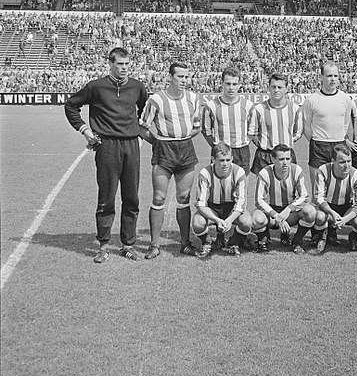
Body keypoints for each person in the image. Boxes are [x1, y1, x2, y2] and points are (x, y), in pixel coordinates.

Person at [64, 47, 148, 262]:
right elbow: (71, 105)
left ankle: (128, 244)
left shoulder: (137, 87)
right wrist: (85, 130)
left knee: (131, 197)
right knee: (107, 196)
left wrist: (139, 134)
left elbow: (146, 110)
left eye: (127, 64)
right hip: (107, 146)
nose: (124, 68)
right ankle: (103, 245)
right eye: (120, 64)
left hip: (131, 146)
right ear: (110, 64)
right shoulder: (96, 87)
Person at [139, 62, 201, 259]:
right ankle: (154, 245)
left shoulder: (193, 98)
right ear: (170, 77)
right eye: (180, 77)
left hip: (185, 148)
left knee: (184, 198)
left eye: (186, 77)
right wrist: (157, 142)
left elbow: (197, 127)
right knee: (159, 198)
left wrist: (181, 138)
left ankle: (185, 243)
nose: (184, 81)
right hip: (164, 149)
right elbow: (142, 127)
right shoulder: (157, 99)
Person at [251, 144, 316, 254]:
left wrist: (288, 209)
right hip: (272, 215)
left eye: (287, 158)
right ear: (273, 159)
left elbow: (304, 196)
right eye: (281, 159)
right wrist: (277, 216)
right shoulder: (265, 173)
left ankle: (297, 241)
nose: (285, 162)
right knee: (256, 218)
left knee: (310, 211)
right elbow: (259, 200)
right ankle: (263, 240)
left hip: (289, 214)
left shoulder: (297, 170)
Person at [191, 142, 253, 257]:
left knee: (247, 221)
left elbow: (241, 203)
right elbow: (201, 204)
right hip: (212, 207)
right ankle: (207, 242)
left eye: (228, 160)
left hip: (231, 207)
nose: (225, 164)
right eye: (221, 160)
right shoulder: (205, 173)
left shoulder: (239, 172)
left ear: (232, 159)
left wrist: (229, 220)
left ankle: (233, 242)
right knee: (197, 223)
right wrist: (217, 220)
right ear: (213, 159)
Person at [302, 61, 354, 196]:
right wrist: (315, 140)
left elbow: (345, 123)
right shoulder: (312, 100)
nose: (333, 79)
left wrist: (339, 137)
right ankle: (318, 215)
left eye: (336, 76)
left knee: (340, 186)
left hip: (339, 144)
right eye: (329, 75)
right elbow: (306, 125)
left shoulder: (345, 99)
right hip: (318, 145)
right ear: (321, 77)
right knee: (317, 189)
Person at [313, 143, 357, 252]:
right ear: (333, 160)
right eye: (342, 162)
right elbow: (319, 198)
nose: (347, 165)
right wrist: (332, 213)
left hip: (347, 207)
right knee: (319, 216)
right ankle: (321, 237)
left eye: (349, 161)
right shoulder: (322, 171)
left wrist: (345, 219)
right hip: (328, 206)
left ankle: (353, 237)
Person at [202, 67, 254, 174]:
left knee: (242, 186)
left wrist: (243, 141)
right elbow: (206, 131)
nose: (231, 88)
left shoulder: (248, 106)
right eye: (228, 83)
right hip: (220, 151)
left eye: (234, 84)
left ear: (240, 84)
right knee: (219, 186)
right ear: (222, 84)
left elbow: (253, 130)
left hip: (241, 151)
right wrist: (217, 146)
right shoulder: (211, 106)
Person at [248, 72, 303, 175]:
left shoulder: (295, 109)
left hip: (286, 155)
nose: (276, 90)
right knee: (263, 188)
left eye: (280, 87)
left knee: (287, 188)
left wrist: (285, 144)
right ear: (269, 88)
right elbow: (252, 133)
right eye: (273, 87)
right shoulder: (259, 109)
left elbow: (298, 133)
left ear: (286, 89)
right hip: (264, 155)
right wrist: (263, 143)